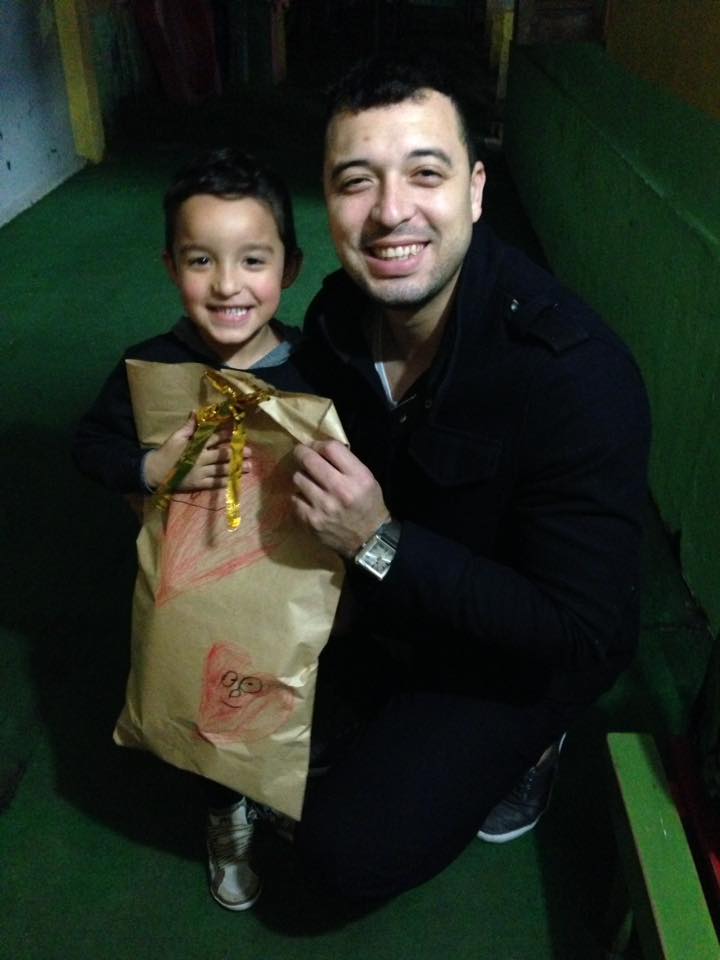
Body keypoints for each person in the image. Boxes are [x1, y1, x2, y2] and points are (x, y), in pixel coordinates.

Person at [288, 55, 651, 901]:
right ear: (328, 200)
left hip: (525, 651)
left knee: (337, 858)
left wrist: (378, 544)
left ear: (477, 192)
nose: (390, 211)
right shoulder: (336, 319)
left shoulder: (574, 375)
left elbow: (579, 627)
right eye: (356, 181)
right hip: (404, 595)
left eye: (426, 173)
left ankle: (539, 741)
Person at [73, 147, 316, 912]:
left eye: (253, 259)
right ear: (171, 266)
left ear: (290, 267)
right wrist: (148, 467)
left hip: (290, 580)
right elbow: (90, 445)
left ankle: (275, 788)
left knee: (286, 687)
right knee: (209, 701)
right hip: (192, 586)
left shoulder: (315, 368)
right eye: (200, 259)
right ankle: (226, 813)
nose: (227, 284)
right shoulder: (149, 368)